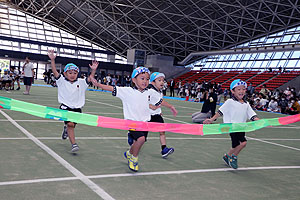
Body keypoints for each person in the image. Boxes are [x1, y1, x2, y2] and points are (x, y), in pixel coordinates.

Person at [91, 67, 157, 172]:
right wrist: (98, 85)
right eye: (142, 78)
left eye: (147, 79)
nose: (145, 81)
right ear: (134, 80)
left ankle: (129, 153)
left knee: (138, 142)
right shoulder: (127, 91)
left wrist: (158, 107)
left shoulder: (148, 92)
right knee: (141, 139)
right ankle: (134, 159)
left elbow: (152, 101)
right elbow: (112, 89)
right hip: (132, 122)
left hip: (145, 123)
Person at [48, 49, 97, 153]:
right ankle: (74, 144)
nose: (72, 75)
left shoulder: (81, 82)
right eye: (70, 72)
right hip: (65, 108)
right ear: (65, 73)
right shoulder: (61, 81)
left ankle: (66, 129)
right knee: (70, 125)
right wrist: (52, 60)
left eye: (75, 73)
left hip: (77, 109)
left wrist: (93, 70)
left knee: (71, 125)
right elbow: (55, 72)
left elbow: (90, 78)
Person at [204, 79, 260, 169]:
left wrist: (261, 122)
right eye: (239, 89)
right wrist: (211, 119)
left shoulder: (246, 104)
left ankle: (227, 156)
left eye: (243, 89)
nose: (241, 91)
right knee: (243, 143)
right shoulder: (230, 102)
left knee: (235, 146)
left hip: (242, 127)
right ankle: (233, 157)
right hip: (232, 127)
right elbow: (220, 112)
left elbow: (252, 115)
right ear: (232, 91)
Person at [148, 72, 178, 158]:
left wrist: (158, 110)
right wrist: (171, 107)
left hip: (156, 115)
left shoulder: (159, 92)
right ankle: (131, 136)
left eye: (163, 80)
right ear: (153, 82)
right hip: (147, 116)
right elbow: (143, 101)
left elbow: (157, 102)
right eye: (159, 80)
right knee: (142, 136)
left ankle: (164, 149)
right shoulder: (150, 91)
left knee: (162, 132)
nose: (162, 82)